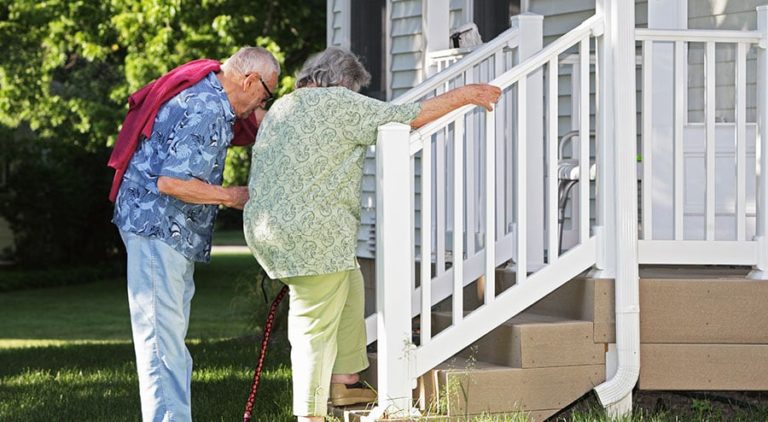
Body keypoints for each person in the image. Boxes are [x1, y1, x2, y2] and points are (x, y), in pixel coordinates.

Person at [243, 47, 501, 421]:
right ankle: (309, 414)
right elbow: (409, 117)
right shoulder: (341, 104)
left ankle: (344, 378)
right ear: (343, 83)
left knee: (349, 282)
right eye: (355, 89)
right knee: (312, 325)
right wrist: (468, 95)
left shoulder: (284, 107)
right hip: (314, 238)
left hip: (271, 233)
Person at [111, 46, 280, 421]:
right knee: (161, 342)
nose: (259, 107)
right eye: (265, 95)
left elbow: (262, 122)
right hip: (156, 228)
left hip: (170, 231)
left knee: (168, 338)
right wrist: (234, 196)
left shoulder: (214, 101)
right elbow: (171, 182)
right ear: (250, 81)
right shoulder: (203, 109)